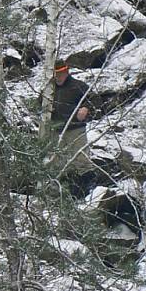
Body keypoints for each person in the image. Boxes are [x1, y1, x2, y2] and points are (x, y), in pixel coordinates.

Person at [46, 60, 96, 193]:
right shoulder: (49, 89)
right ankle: (58, 193)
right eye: (56, 73)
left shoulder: (78, 86)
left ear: (67, 72)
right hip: (56, 131)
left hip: (76, 129)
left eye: (61, 73)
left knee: (82, 161)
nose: (59, 76)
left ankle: (88, 191)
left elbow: (94, 99)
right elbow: (38, 105)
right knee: (56, 163)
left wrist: (86, 108)